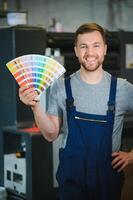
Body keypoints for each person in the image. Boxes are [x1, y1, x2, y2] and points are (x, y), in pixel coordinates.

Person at [19, 22, 133, 200]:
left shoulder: (122, 89)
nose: (90, 53)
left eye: (96, 45)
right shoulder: (61, 87)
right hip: (72, 177)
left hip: (107, 178)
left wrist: (132, 155)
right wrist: (35, 106)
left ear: (104, 49)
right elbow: (50, 134)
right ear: (76, 50)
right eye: (83, 46)